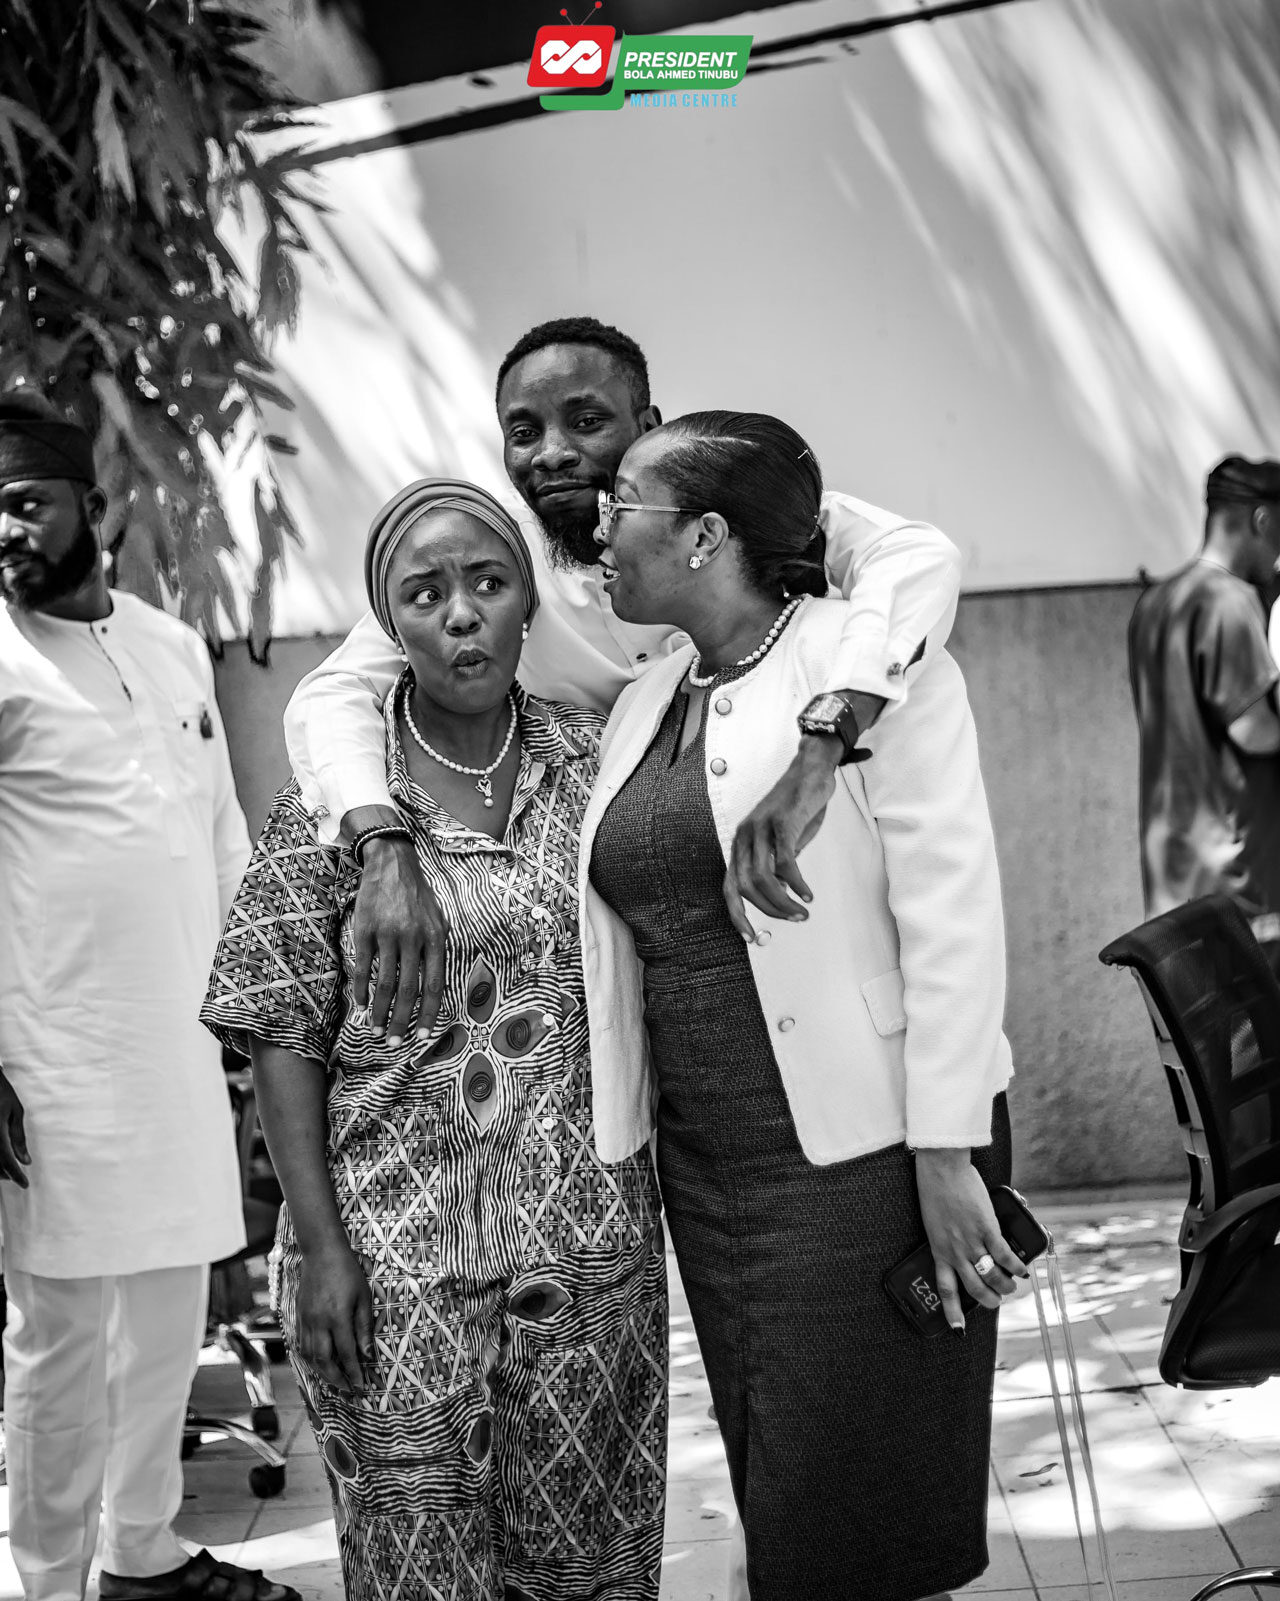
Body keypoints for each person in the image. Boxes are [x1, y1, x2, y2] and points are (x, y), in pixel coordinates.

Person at [580, 412, 1021, 1601]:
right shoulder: (647, 694)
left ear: (705, 536)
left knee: (857, 1514)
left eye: (623, 504)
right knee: (780, 1487)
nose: (599, 528)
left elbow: (952, 916)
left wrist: (945, 1151)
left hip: (866, 1154)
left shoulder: (866, 665)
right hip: (708, 1168)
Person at [201, 480, 668, 1601]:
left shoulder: (598, 769)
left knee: (587, 1562)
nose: (461, 613)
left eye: (488, 582)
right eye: (424, 593)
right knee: (418, 1565)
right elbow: (278, 1029)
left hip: (585, 1251)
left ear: (526, 606)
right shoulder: (336, 804)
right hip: (393, 1258)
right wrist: (321, 1252)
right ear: (389, 622)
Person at [282, 317, 965, 1045]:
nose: (552, 453)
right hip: (650, 969)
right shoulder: (496, 563)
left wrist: (825, 739)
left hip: (833, 967)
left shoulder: (737, 513)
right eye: (523, 432)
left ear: (648, 425)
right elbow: (335, 693)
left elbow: (916, 559)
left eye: (586, 421)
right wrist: (383, 843)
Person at [0, 389, 297, 1601]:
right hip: (49, 1056)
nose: (6, 530)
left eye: (26, 503)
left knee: (172, 1303)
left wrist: (251, 1011)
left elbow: (221, 833)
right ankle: (46, 1577)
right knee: (61, 1336)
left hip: (178, 1042)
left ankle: (143, 1552)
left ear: (96, 508)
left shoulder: (170, 644)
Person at [1129, 456, 1280, 969]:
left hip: (1173, 877)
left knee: (1194, 1021)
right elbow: (1255, 731)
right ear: (1262, 520)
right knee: (1256, 1022)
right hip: (1238, 884)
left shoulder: (1156, 603)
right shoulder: (1230, 602)